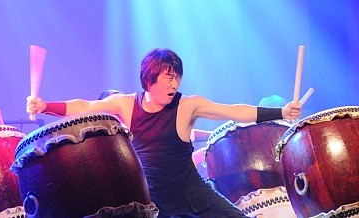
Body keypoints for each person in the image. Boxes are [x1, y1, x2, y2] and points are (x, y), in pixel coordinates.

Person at [26, 48, 301, 217]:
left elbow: (233, 111)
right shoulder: (126, 104)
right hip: (153, 203)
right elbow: (86, 106)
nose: (175, 83)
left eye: (177, 77)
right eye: (168, 77)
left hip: (194, 194)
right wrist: (45, 105)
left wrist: (281, 113)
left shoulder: (187, 105)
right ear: (149, 79)